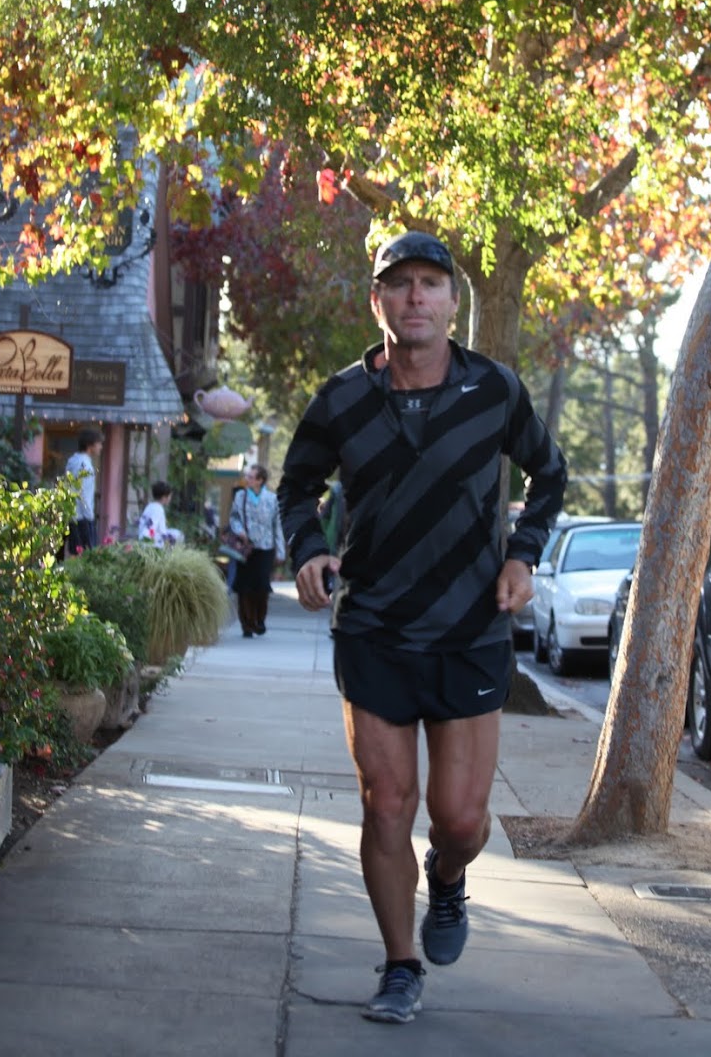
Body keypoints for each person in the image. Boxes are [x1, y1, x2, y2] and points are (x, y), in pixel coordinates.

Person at [278, 230, 566, 1024]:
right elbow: (297, 486)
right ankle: (400, 965)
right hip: (373, 629)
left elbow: (549, 472)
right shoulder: (341, 399)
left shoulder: (494, 390)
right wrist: (308, 550)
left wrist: (524, 556)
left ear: (451, 301)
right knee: (385, 806)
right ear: (377, 301)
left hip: (471, 630)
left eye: (430, 284)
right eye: (399, 284)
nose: (415, 297)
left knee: (462, 820)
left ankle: (447, 875)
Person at [229, 464, 286, 638]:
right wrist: (240, 531)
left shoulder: (272, 499)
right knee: (244, 586)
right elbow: (234, 518)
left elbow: (277, 526)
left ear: (260, 480)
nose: (247, 479)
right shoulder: (240, 496)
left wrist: (280, 550)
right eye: (248, 476)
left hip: (265, 547)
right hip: (245, 548)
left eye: (251, 477)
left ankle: (260, 619)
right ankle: (247, 624)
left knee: (261, 585)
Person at [65, 426, 103, 554]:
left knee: (76, 554)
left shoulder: (73, 461)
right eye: (98, 443)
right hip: (82, 517)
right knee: (86, 555)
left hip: (73, 514)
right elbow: (83, 494)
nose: (100, 447)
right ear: (90, 445)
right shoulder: (84, 466)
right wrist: (90, 517)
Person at [138, 480, 184, 547]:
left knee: (174, 532)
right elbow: (152, 528)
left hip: (143, 537)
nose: (170, 498)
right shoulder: (158, 509)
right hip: (150, 541)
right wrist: (156, 539)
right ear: (164, 497)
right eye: (169, 496)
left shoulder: (149, 506)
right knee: (179, 535)